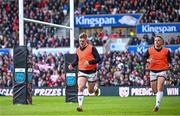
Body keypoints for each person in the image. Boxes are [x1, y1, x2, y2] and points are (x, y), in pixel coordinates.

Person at [68, 32, 101, 112]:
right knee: (80, 87)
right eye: (80, 41)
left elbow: (98, 59)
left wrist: (89, 62)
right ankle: (80, 106)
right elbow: (77, 60)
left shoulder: (92, 48)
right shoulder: (78, 50)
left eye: (83, 41)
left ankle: (96, 89)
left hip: (92, 72)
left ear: (86, 41)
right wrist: (72, 65)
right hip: (82, 72)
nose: (81, 42)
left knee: (90, 91)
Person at [144, 36, 171, 112]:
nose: (156, 41)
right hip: (152, 71)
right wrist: (148, 60)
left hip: (162, 70)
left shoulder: (166, 51)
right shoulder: (149, 50)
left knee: (159, 87)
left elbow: (170, 59)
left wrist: (170, 64)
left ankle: (157, 106)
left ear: (162, 42)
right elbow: (143, 58)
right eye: (155, 40)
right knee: (154, 90)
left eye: (158, 40)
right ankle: (158, 98)